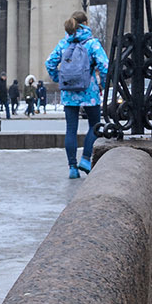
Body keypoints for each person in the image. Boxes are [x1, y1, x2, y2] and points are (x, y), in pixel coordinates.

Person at [46, 10, 109, 179]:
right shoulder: (92, 43)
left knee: (71, 129)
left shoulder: (63, 44)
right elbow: (105, 66)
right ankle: (86, 159)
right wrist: (102, 82)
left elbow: (49, 63)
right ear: (86, 24)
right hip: (90, 91)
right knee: (95, 125)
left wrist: (59, 79)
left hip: (68, 93)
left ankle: (72, 168)